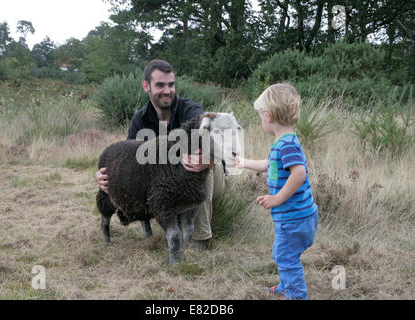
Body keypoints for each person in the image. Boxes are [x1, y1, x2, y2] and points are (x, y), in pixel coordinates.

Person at [95, 59, 225, 249]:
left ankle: (199, 239)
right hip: (170, 184)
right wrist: (104, 175)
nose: (167, 90)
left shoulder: (191, 111)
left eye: (171, 85)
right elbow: (130, 160)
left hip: (209, 175)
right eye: (160, 85)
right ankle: (162, 221)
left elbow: (214, 139)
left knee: (196, 163)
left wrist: (208, 162)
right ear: (146, 86)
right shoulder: (140, 119)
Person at [235, 83, 318, 300]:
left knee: (285, 256)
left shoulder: (286, 145)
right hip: (295, 217)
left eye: (261, 115)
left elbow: (299, 173)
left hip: (294, 218)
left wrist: (276, 198)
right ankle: (286, 287)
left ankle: (296, 296)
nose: (261, 119)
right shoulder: (283, 143)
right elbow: (267, 164)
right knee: (284, 254)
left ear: (269, 116)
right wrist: (244, 163)